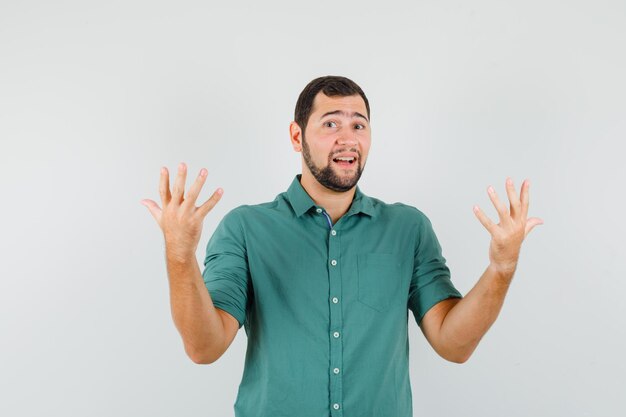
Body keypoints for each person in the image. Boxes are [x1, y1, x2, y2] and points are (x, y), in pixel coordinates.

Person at [140, 75, 543, 417]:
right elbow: (204, 347)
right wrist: (180, 254)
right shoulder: (245, 228)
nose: (347, 138)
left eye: (359, 125)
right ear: (297, 136)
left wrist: (501, 268)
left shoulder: (409, 228)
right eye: (331, 124)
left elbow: (453, 344)